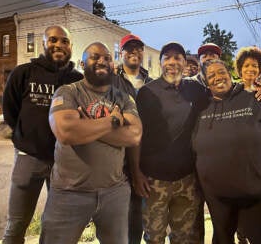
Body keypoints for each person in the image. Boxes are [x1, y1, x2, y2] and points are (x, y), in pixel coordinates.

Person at [39, 42, 142, 244]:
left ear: (113, 65)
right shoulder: (67, 92)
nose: (102, 61)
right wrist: (113, 121)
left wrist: (84, 124)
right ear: (82, 63)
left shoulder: (124, 98)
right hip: (68, 192)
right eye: (95, 57)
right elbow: (66, 131)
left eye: (107, 58)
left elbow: (134, 135)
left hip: (115, 191)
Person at [192, 59, 261, 244]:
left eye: (221, 72)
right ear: (206, 83)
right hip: (217, 197)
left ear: (230, 74)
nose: (217, 78)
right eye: (211, 75)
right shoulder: (199, 109)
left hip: (255, 194)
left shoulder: (255, 99)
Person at [2, 25, 83, 244]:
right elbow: (10, 111)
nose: (59, 45)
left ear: (71, 46)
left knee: (55, 226)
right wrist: (23, 140)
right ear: (43, 44)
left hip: (64, 163)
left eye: (64, 41)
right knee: (16, 224)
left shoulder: (78, 80)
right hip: (29, 159)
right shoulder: (24, 73)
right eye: (53, 40)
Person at [131, 42, 208, 244]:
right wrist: (136, 172)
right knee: (154, 237)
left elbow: (220, 97)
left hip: (187, 179)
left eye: (178, 57)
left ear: (185, 62)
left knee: (183, 236)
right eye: (168, 57)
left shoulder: (196, 90)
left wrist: (251, 89)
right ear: (161, 63)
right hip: (153, 180)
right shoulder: (147, 92)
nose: (173, 62)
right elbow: (136, 135)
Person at [115, 34, 153, 244]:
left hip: (147, 157)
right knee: (124, 215)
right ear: (121, 53)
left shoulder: (152, 83)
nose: (134, 52)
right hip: (118, 159)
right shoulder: (112, 81)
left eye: (138, 48)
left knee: (143, 213)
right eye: (129, 49)